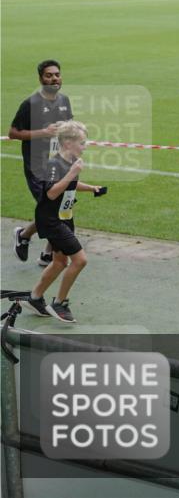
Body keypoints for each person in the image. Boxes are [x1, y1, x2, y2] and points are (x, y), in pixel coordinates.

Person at [24, 120, 107, 323]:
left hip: (64, 218)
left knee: (60, 262)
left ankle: (35, 298)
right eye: (82, 142)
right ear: (68, 143)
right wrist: (72, 173)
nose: (84, 146)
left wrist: (92, 188)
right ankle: (60, 303)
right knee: (80, 260)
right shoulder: (54, 165)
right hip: (52, 221)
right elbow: (52, 193)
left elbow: (70, 184)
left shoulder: (69, 162)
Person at [10, 60, 73, 267]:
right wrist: (42, 133)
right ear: (40, 79)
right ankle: (31, 239)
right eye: (49, 75)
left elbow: (68, 127)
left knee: (58, 209)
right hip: (37, 167)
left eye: (57, 74)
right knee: (52, 209)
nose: (54, 78)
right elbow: (13, 133)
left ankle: (38, 246)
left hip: (60, 166)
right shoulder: (31, 104)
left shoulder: (64, 100)